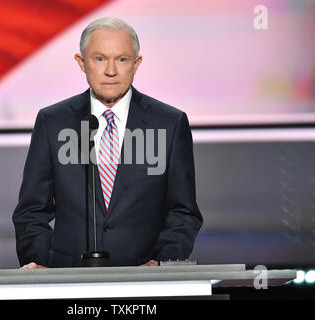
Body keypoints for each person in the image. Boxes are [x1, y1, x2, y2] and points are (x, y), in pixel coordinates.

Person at [13, 17, 203, 268]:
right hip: (67, 281)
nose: (111, 70)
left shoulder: (170, 123)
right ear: (81, 63)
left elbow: (184, 213)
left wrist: (162, 263)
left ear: (136, 64)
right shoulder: (52, 122)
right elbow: (32, 210)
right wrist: (38, 264)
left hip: (145, 285)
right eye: (100, 59)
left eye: (122, 59)